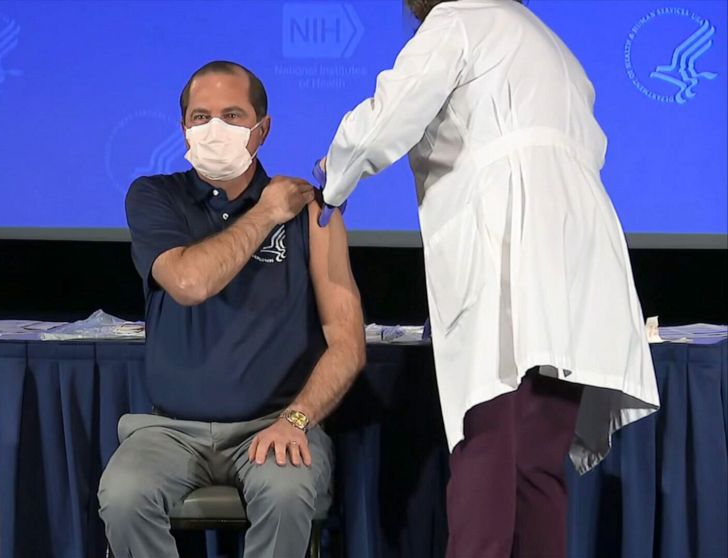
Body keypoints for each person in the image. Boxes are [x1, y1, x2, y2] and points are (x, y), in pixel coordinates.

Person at [315, 1, 660, 556]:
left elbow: (393, 110)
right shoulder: (554, 45)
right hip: (578, 245)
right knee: (539, 458)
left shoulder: (458, 20)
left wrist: (334, 176)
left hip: (509, 238)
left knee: (488, 437)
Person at [98, 60, 366, 558]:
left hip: (274, 422)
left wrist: (298, 419)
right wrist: (266, 212)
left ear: (262, 130)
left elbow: (347, 342)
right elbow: (189, 281)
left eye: (232, 115)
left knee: (288, 495)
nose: (214, 129)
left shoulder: (311, 211)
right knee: (124, 495)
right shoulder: (155, 197)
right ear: (183, 128)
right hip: (170, 430)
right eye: (200, 117)